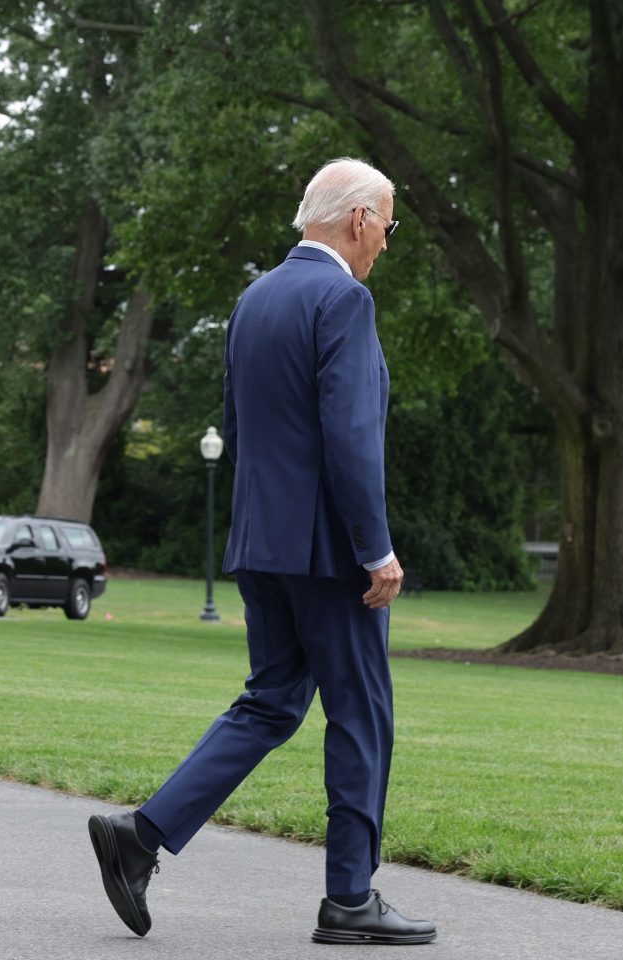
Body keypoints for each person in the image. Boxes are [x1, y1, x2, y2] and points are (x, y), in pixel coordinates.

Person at [87, 158, 436, 945]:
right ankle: (350, 898)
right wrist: (375, 550)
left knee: (273, 701)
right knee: (361, 715)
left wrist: (262, 528)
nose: (387, 237)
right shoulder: (344, 297)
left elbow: (239, 432)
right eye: (387, 221)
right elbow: (350, 438)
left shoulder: (254, 299)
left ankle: (138, 837)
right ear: (358, 221)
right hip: (330, 556)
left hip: (262, 544)